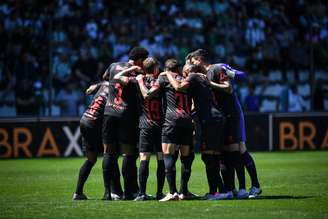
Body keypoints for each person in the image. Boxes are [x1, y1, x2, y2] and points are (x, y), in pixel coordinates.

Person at [190, 49, 261, 199]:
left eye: (193, 61)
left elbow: (228, 88)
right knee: (223, 152)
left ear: (199, 59)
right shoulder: (202, 75)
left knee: (239, 149)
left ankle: (250, 186)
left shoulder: (216, 68)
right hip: (220, 117)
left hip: (232, 113)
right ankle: (231, 188)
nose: (191, 65)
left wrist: (211, 82)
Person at [165, 63, 226, 200]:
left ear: (189, 70)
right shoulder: (201, 78)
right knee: (213, 156)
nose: (183, 74)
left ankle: (218, 191)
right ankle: (218, 191)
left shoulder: (193, 76)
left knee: (208, 156)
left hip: (211, 119)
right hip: (216, 117)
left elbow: (178, 87)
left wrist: (168, 73)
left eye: (184, 71)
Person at [141, 59, 195, 201]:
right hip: (187, 121)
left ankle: (172, 192)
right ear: (178, 69)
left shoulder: (163, 78)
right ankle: (184, 191)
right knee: (185, 158)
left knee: (168, 155)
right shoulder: (187, 78)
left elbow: (149, 94)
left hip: (171, 120)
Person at [102, 47, 149, 200]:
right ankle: (130, 192)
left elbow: (105, 78)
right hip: (126, 114)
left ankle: (111, 192)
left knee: (109, 153)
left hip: (109, 112)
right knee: (128, 154)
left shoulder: (113, 65)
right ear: (140, 60)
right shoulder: (138, 72)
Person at [119, 57, 165, 201]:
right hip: (160, 124)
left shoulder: (136, 80)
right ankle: (159, 193)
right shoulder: (161, 82)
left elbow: (117, 77)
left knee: (144, 159)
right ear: (156, 68)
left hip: (145, 124)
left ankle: (142, 193)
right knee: (161, 159)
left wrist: (133, 70)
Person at [73, 74, 109, 200]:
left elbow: (89, 90)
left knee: (91, 159)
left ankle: (78, 193)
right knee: (109, 154)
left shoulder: (103, 85)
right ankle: (109, 193)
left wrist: (93, 88)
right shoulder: (115, 89)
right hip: (94, 123)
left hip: (85, 118)